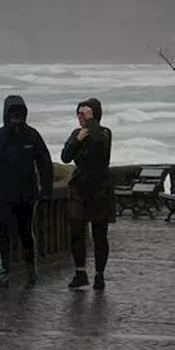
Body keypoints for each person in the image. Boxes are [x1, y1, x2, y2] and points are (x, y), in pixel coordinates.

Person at [0, 95, 55, 287]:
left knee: (27, 233)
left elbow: (45, 163)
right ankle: (3, 273)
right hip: (2, 195)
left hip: (28, 194)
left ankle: (31, 271)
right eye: (13, 115)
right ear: (6, 115)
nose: (16, 119)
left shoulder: (32, 136)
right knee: (3, 233)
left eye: (20, 115)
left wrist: (46, 190)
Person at [60, 97, 113, 291]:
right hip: (79, 187)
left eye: (86, 114)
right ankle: (80, 272)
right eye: (79, 113)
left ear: (94, 115)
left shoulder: (104, 132)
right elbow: (65, 156)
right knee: (75, 230)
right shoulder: (76, 133)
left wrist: (91, 124)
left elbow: (100, 144)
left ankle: (99, 274)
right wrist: (77, 139)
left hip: (99, 189)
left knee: (99, 234)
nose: (81, 117)